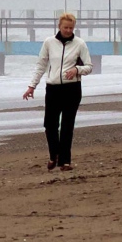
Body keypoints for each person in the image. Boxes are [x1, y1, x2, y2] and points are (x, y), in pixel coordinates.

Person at [23, 12, 92, 172]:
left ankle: (65, 161)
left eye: (71, 27)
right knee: (50, 125)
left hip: (72, 89)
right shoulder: (49, 42)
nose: (68, 30)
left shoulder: (79, 44)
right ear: (59, 26)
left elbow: (89, 66)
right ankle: (54, 155)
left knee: (67, 125)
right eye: (65, 27)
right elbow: (41, 65)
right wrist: (32, 86)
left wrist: (76, 69)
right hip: (53, 88)